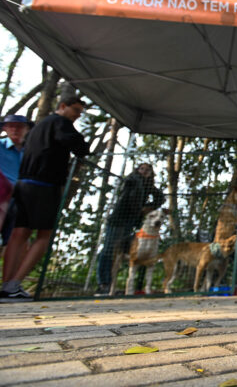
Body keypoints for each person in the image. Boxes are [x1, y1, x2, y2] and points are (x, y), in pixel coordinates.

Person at [1, 97, 90, 302]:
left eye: (80, 112)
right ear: (62, 106)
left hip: (23, 184)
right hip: (44, 185)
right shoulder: (60, 123)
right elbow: (79, 146)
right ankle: (14, 284)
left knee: (19, 233)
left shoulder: (38, 127)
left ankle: (6, 287)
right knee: (44, 235)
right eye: (75, 110)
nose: (77, 115)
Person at [96, 162, 164, 295]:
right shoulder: (132, 180)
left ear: (151, 173)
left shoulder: (148, 185)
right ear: (137, 170)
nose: (144, 171)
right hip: (118, 219)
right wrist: (140, 209)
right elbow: (130, 196)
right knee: (109, 249)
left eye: (147, 170)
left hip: (130, 222)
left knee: (121, 252)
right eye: (142, 169)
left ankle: (112, 285)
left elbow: (161, 197)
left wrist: (149, 207)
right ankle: (104, 283)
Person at [0, 115, 32, 244]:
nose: (15, 130)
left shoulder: (31, 153)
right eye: (11, 126)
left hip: (20, 201)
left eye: (19, 127)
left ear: (27, 129)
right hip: (2, 195)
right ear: (5, 128)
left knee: (16, 241)